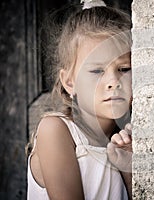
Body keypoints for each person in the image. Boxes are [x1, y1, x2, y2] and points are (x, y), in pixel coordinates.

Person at [26, 0, 133, 199]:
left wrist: (128, 170)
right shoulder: (56, 131)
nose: (113, 81)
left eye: (124, 69)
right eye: (97, 70)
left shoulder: (126, 141)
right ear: (69, 82)